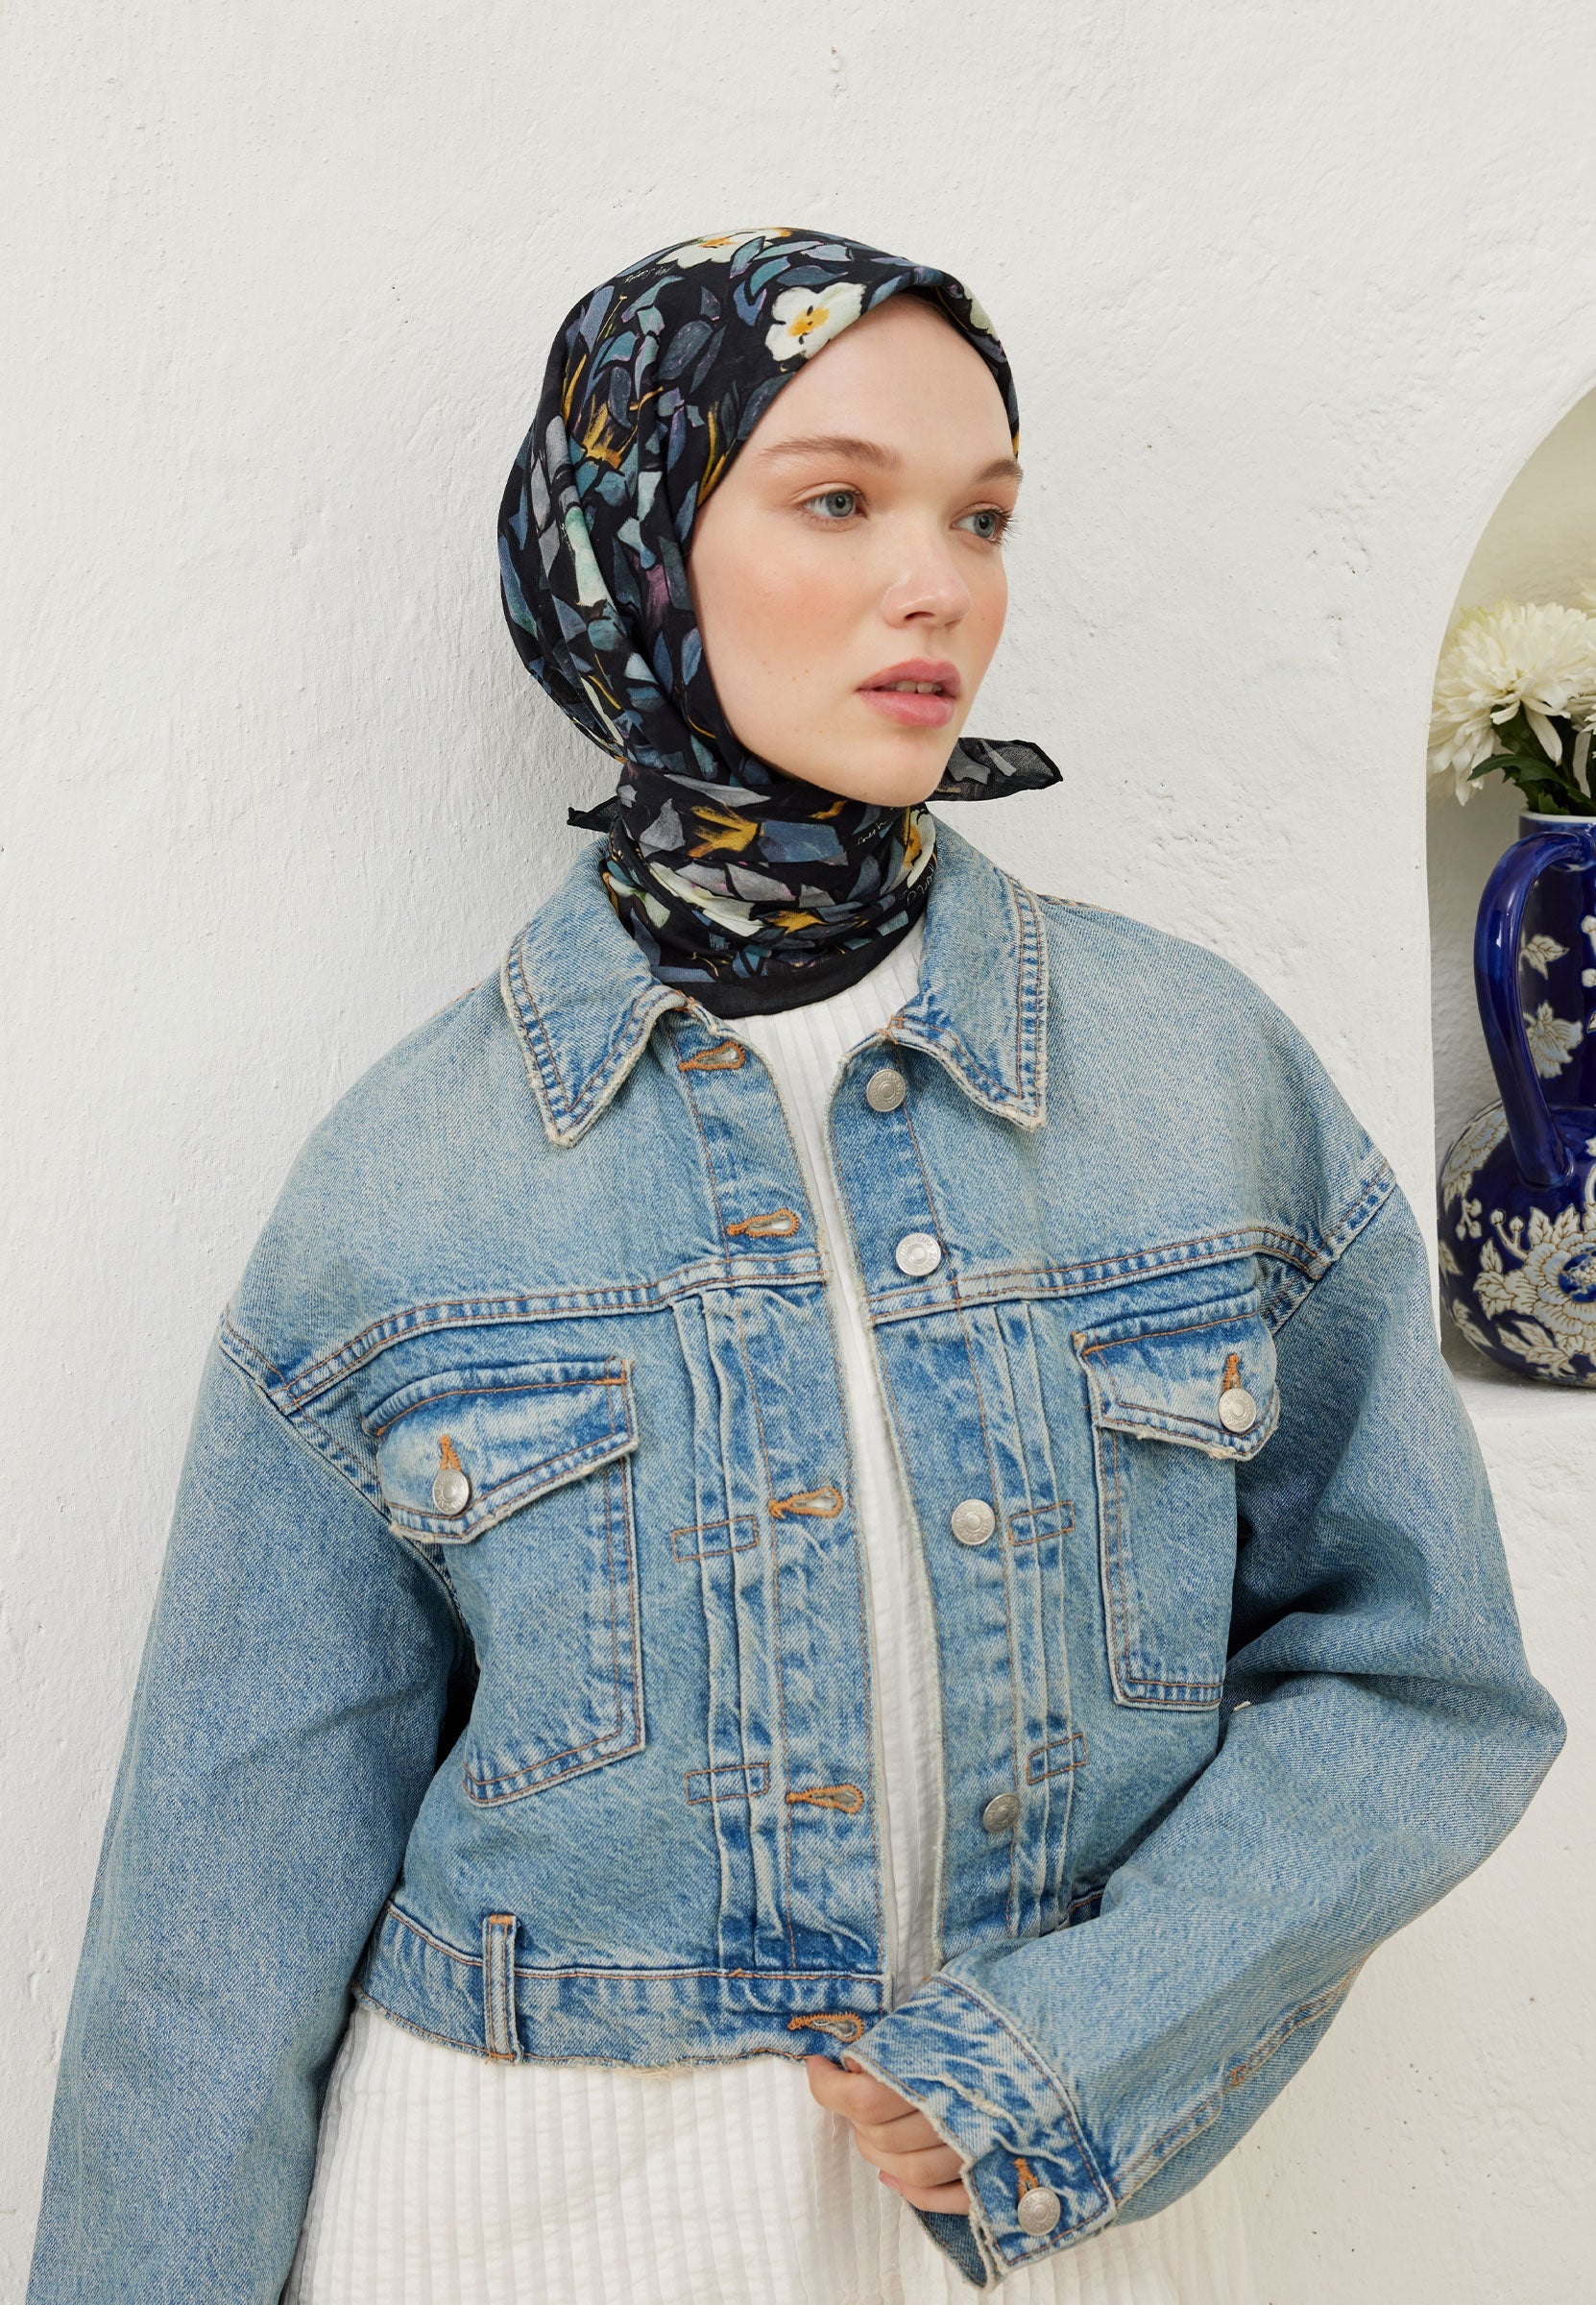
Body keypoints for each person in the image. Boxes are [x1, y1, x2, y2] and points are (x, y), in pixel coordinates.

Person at [26, 226, 1564, 2305]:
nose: (937, 585)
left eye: (982, 518)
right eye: (838, 500)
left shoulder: (1199, 1084)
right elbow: (215, 1932)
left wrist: (1071, 2049)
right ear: (632, 549)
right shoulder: (409, 1188)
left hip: (1031, 2217)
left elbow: (1422, 1682)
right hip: (516, 2224)